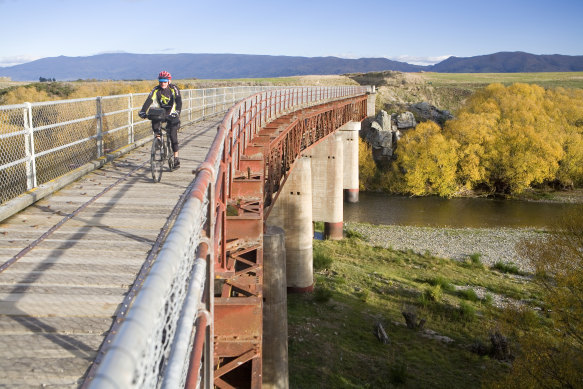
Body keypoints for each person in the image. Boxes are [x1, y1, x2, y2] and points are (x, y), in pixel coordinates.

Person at [139, 71, 182, 168]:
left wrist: (177, 112)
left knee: (172, 136)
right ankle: (158, 141)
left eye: (165, 81)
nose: (162, 83)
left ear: (169, 81)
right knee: (154, 120)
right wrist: (143, 111)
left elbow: (178, 101)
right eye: (161, 81)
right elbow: (149, 100)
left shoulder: (174, 88)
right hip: (162, 113)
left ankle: (176, 158)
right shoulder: (156, 89)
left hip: (172, 114)